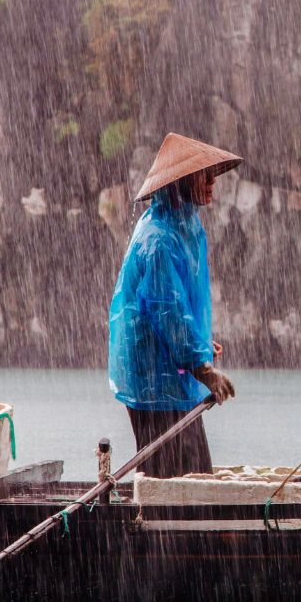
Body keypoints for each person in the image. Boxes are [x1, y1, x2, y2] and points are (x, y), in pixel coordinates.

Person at [107, 132, 241, 478]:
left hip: (169, 373)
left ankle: (176, 528)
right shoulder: (159, 239)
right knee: (171, 479)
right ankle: (162, 531)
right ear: (180, 182)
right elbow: (166, 309)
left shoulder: (186, 226)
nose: (212, 181)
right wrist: (203, 367)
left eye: (212, 173)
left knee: (194, 473)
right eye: (202, 174)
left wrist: (199, 345)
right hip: (154, 379)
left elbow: (178, 306)